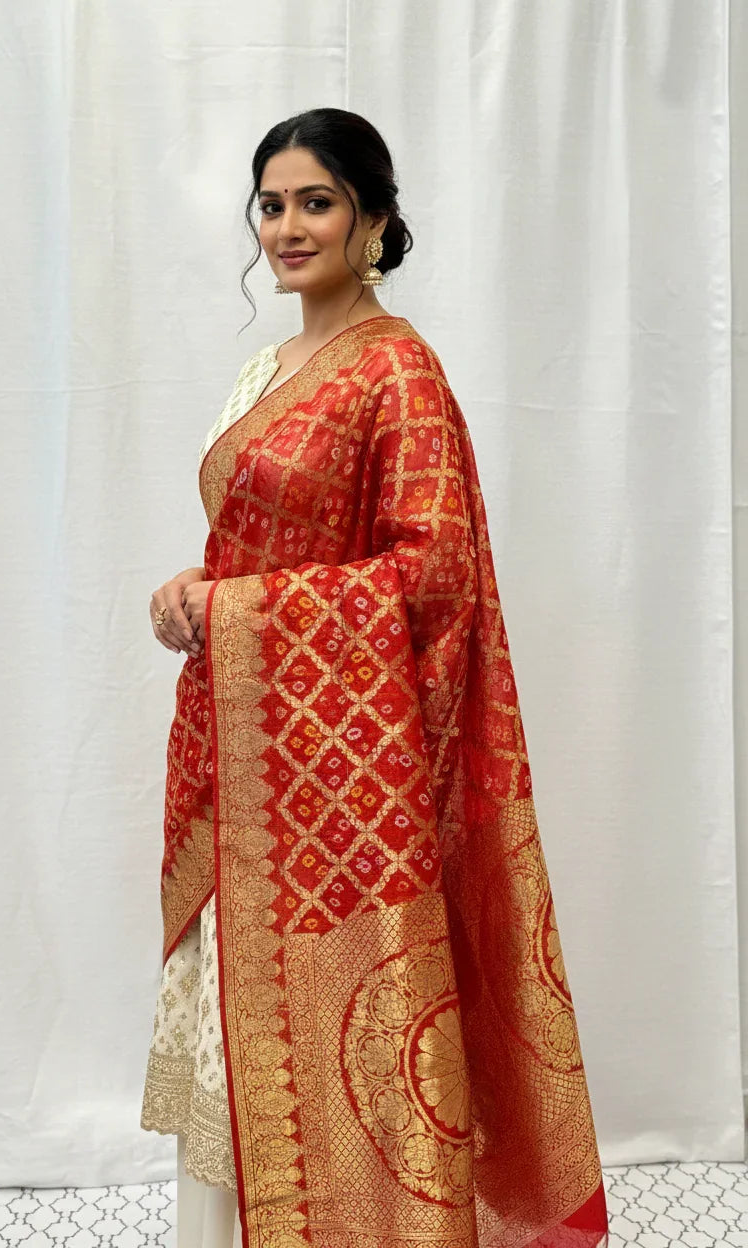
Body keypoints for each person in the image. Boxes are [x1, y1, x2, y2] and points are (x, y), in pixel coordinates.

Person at [140, 107, 609, 1248]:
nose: (287, 226)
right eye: (271, 203)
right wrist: (192, 595)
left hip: (346, 791)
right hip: (246, 762)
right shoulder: (270, 364)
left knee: (355, 1044)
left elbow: (430, 573)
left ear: (374, 222)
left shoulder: (397, 371)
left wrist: (232, 611)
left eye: (316, 202)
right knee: (232, 1042)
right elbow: (261, 538)